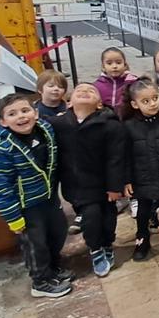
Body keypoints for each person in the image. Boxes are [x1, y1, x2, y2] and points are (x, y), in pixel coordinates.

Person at [0, 94, 72, 298]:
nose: (21, 117)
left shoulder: (45, 131)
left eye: (25, 111)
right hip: (26, 206)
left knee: (57, 233)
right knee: (35, 244)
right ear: (2, 121)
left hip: (48, 197)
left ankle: (53, 269)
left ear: (36, 113)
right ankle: (40, 282)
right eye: (12, 114)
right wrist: (13, 218)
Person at [49, 83, 126, 277]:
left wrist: (115, 186)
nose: (84, 92)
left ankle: (107, 243)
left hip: (105, 185)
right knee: (91, 218)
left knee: (108, 219)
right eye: (79, 91)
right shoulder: (58, 125)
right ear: (69, 102)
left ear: (99, 104)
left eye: (91, 91)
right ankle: (95, 248)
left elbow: (116, 158)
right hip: (78, 186)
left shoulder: (110, 125)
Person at [122, 79, 159, 261]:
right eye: (145, 101)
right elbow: (124, 155)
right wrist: (126, 179)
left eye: (155, 98)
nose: (152, 103)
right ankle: (142, 239)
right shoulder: (129, 126)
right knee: (143, 211)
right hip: (142, 177)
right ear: (134, 104)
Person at [95, 47, 138, 116]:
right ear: (103, 67)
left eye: (118, 62)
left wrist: (129, 83)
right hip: (105, 120)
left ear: (125, 65)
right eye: (109, 63)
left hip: (128, 118)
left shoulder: (133, 81)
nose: (114, 66)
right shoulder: (97, 85)